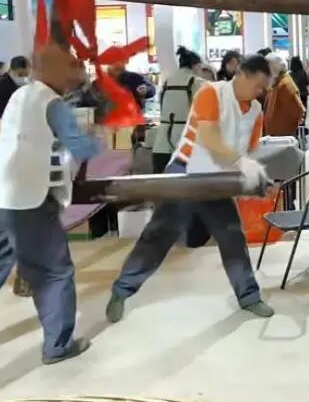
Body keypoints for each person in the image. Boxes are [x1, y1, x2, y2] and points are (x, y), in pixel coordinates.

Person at [0, 43, 102, 364]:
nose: (75, 75)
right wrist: (98, 138)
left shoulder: (20, 95)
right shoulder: (53, 104)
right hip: (29, 202)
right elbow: (81, 148)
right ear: (54, 71)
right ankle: (58, 346)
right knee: (53, 272)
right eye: (70, 68)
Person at [106, 54, 275, 322]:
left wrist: (250, 176)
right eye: (257, 85)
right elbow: (208, 137)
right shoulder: (211, 93)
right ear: (241, 74)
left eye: (263, 88)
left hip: (216, 180)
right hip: (185, 170)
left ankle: (249, 297)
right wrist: (240, 162)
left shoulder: (255, 111)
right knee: (159, 234)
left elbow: (250, 148)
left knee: (232, 236)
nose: (260, 92)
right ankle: (121, 291)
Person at [152, 46, 208, 175]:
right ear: (196, 66)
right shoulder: (200, 84)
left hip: (161, 145)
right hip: (187, 147)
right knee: (187, 186)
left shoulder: (166, 83)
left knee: (162, 185)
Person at [263, 54, 306, 138]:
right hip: (275, 135)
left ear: (273, 68)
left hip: (282, 136)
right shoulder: (276, 83)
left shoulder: (285, 85)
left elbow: (298, 110)